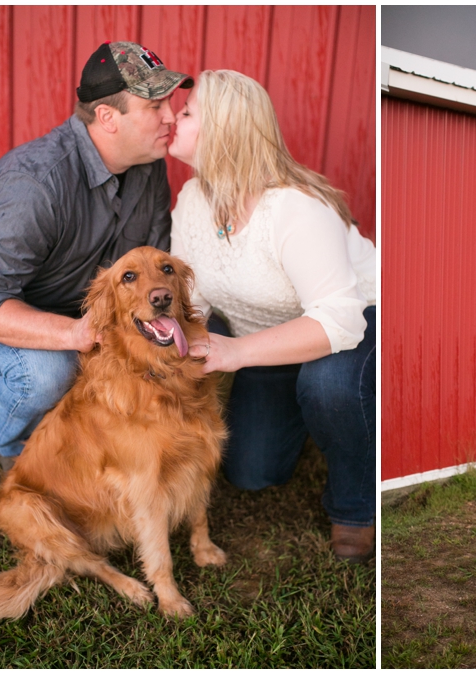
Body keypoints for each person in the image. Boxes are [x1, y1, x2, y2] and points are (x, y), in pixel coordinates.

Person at [0, 41, 192, 472]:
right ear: (107, 117)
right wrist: (75, 336)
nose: (171, 117)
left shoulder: (148, 167)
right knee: (48, 373)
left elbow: (149, 274)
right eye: (155, 106)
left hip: (71, 304)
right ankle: (11, 446)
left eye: (171, 102)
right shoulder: (35, 184)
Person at [167, 70, 376, 563]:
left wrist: (234, 352)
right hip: (264, 341)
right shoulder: (192, 199)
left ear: (223, 130)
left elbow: (339, 322)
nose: (176, 114)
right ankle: (307, 412)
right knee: (253, 472)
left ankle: (354, 505)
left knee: (329, 387)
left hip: (352, 329)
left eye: (189, 111)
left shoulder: (296, 210)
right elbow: (194, 301)